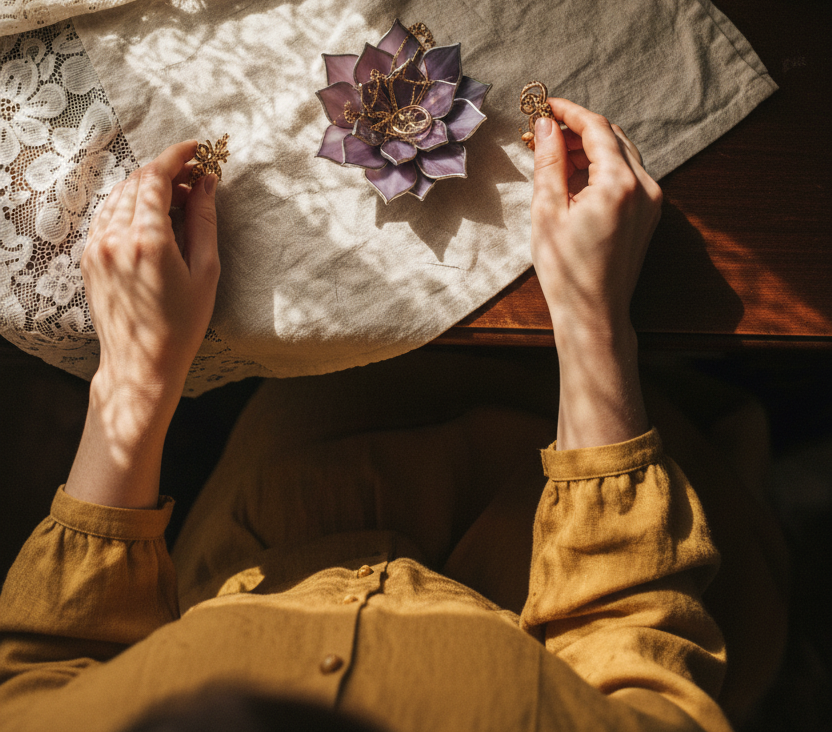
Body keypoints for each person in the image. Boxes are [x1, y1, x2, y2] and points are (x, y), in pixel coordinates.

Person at [0, 100, 780, 731]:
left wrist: (132, 382)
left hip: (297, 478)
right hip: (581, 510)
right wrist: (593, 327)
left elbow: (42, 663)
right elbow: (642, 645)